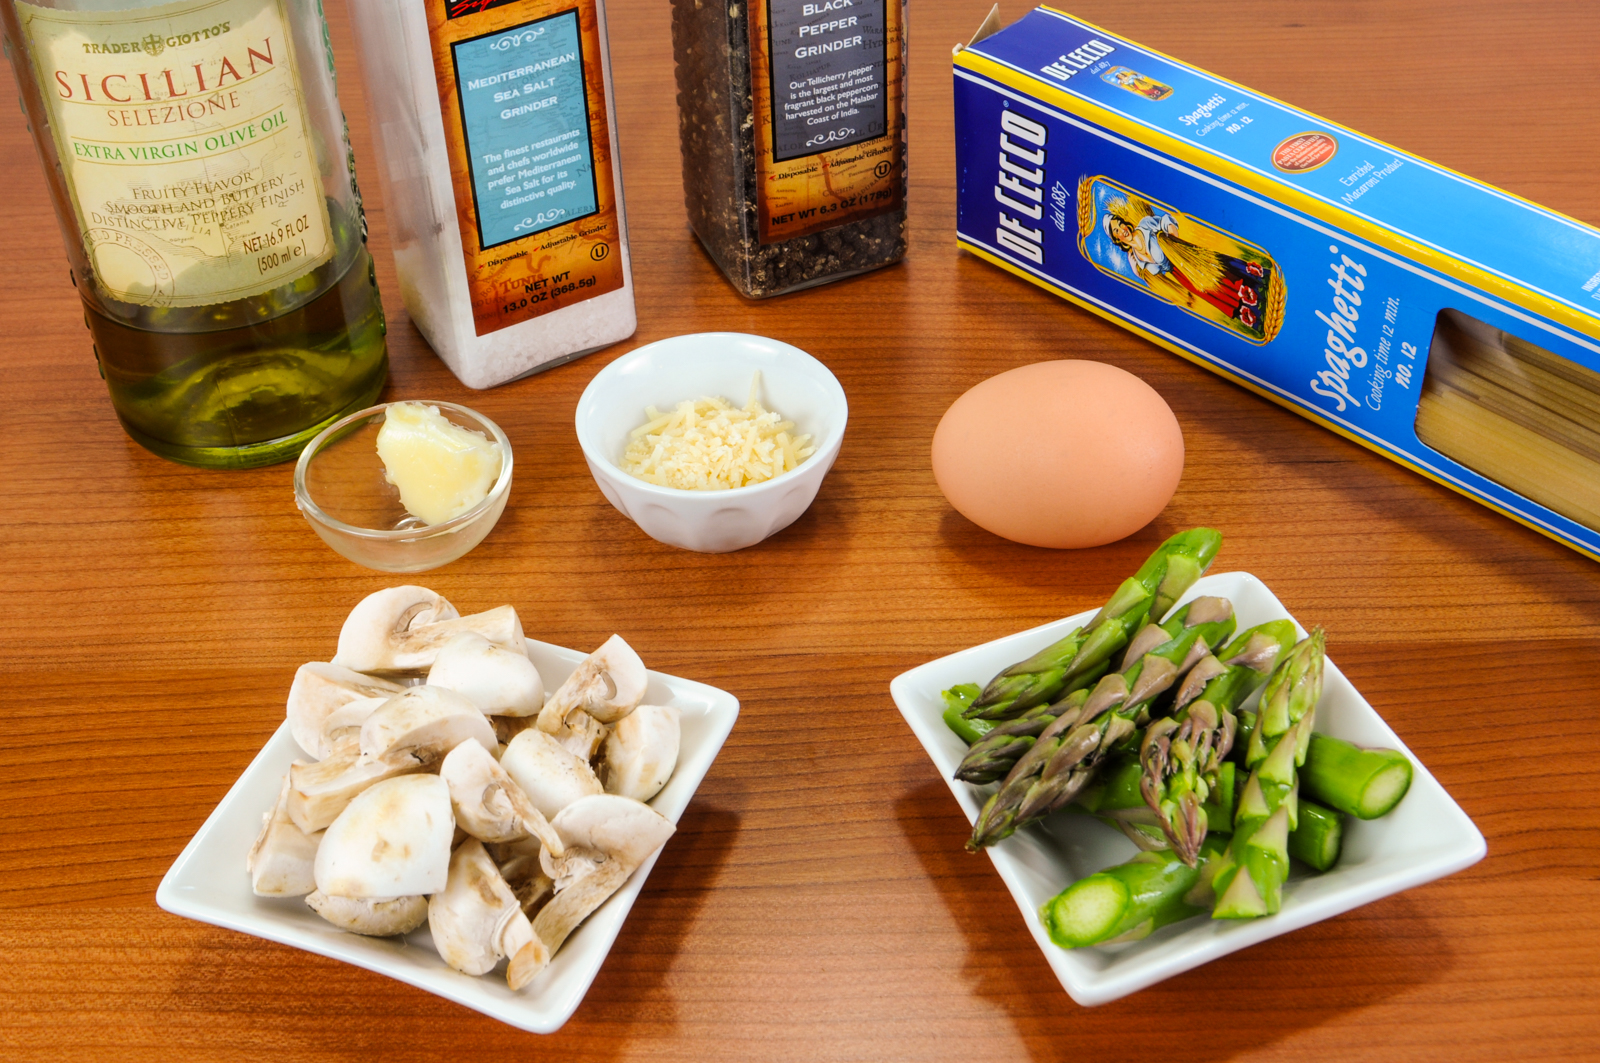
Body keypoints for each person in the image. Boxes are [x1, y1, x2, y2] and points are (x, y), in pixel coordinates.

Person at [1099, 196, 1270, 335]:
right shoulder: (1136, 259)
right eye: (1116, 230)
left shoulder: (1144, 225)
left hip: (1188, 257)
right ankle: (1256, 316)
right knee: (1212, 292)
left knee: (1223, 275)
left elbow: (1167, 221)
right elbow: (1152, 275)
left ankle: (1261, 288)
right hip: (1180, 274)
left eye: (1120, 224)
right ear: (1116, 239)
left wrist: (1173, 241)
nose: (1122, 229)